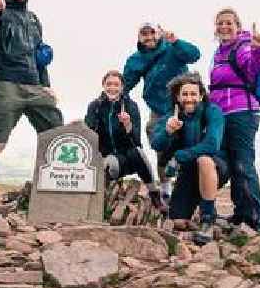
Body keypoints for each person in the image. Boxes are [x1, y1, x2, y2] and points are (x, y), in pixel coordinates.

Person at [0, 0, 63, 220]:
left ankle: (57, 191)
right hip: (6, 83)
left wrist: (46, 84)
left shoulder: (34, 19)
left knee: (57, 132)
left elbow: (40, 55)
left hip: (35, 84)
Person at [123, 23, 201, 202]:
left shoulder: (172, 48)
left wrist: (176, 41)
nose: (149, 37)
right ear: (139, 37)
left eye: (152, 33)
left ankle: (189, 187)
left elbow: (194, 55)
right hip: (158, 109)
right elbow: (125, 84)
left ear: (159, 35)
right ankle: (166, 188)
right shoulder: (136, 59)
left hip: (185, 105)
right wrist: (110, 98)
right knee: (159, 143)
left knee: (190, 141)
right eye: (144, 34)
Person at [208, 7, 260, 234]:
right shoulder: (219, 53)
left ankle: (255, 217)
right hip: (221, 114)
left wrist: (259, 49)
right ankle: (241, 212)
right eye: (220, 23)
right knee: (232, 165)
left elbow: (255, 68)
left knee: (243, 163)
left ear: (237, 26)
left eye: (228, 23)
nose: (224, 27)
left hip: (242, 112)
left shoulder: (243, 47)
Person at [151, 72, 229, 244]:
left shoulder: (212, 112)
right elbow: (156, 144)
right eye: (185, 94)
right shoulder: (171, 116)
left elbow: (212, 145)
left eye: (193, 94)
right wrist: (168, 131)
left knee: (204, 159)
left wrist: (179, 157)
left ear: (201, 95)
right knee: (178, 221)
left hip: (216, 167)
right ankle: (201, 210)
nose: (189, 98)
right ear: (178, 97)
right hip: (188, 172)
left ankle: (207, 220)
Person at [84, 70, 160, 206]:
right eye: (109, 84)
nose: (112, 88)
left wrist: (128, 125)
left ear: (122, 87)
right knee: (109, 163)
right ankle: (101, 200)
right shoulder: (95, 106)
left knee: (137, 152)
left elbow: (136, 140)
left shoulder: (131, 106)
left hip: (130, 157)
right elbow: (89, 132)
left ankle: (154, 194)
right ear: (103, 85)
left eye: (116, 85)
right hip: (109, 157)